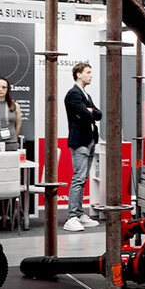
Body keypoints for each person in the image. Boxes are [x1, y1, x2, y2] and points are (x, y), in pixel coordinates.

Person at [63, 63, 100, 233]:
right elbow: (86, 114)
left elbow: (98, 114)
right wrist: (88, 111)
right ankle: (71, 216)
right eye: (88, 72)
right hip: (80, 141)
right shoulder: (73, 94)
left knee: (83, 178)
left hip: (90, 139)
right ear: (78, 74)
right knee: (78, 178)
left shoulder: (85, 95)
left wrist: (90, 110)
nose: (91, 75)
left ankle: (79, 213)